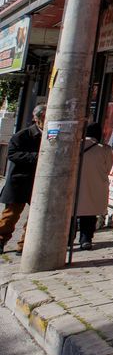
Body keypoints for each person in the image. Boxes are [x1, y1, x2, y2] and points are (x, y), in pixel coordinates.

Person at [0, 103, 45, 254]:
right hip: (19, 181)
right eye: (43, 117)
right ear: (37, 119)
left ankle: (24, 245)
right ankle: (1, 239)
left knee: (35, 216)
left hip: (38, 181)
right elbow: (12, 154)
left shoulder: (51, 135)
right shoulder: (23, 135)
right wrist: (36, 157)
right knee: (10, 215)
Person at [70, 123, 111, 251]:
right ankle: (85, 239)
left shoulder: (74, 146)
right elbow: (108, 168)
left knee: (71, 212)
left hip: (74, 185)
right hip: (95, 185)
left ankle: (68, 238)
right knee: (89, 213)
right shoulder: (104, 149)